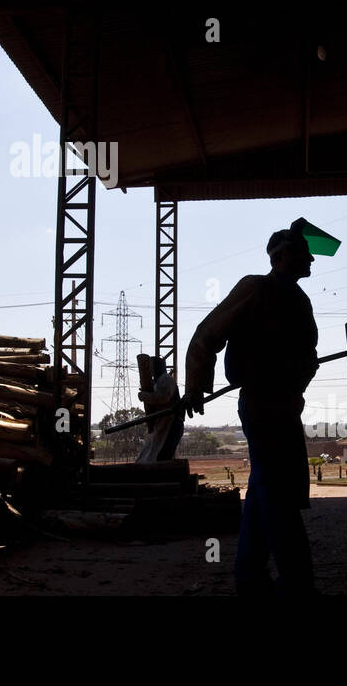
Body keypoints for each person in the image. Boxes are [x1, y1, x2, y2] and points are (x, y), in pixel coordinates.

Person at [183, 217, 320, 596]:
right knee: (278, 490)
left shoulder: (299, 300)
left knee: (267, 486)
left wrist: (299, 378)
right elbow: (206, 335)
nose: (312, 262)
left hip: (286, 403)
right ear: (285, 257)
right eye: (306, 255)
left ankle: (249, 576)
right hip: (261, 404)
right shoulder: (255, 289)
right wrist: (195, 385)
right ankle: (298, 583)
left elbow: (308, 352)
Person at [135, 355, 183, 463]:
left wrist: (145, 396)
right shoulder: (158, 381)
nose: (150, 371)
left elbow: (163, 397)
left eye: (151, 367)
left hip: (171, 423)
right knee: (156, 455)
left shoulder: (166, 379)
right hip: (164, 424)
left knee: (162, 456)